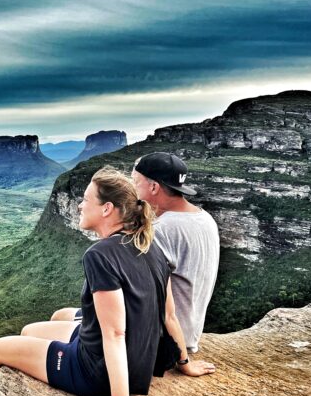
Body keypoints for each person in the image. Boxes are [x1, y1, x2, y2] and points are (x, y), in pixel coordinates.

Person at [0, 167, 215, 396]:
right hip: (141, 362)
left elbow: (115, 334)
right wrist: (184, 362)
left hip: (94, 371)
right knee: (30, 330)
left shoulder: (100, 255)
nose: (80, 204)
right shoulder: (149, 244)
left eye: (85, 199)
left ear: (107, 209)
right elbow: (169, 315)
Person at [51, 152, 220, 354]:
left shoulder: (160, 230)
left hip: (158, 335)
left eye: (135, 181)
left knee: (55, 321)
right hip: (188, 329)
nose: (132, 188)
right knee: (62, 316)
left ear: (154, 187)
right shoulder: (204, 218)